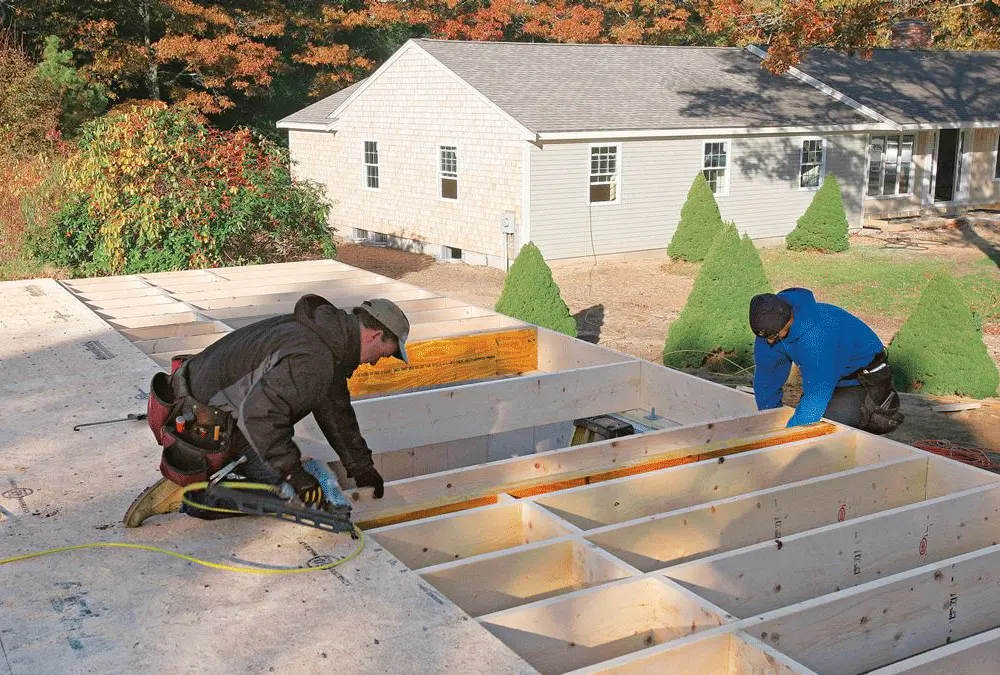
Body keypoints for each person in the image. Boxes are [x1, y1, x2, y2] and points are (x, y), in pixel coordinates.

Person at [125, 294, 409, 526]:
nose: (376, 363)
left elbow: (335, 411)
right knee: (299, 495)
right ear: (374, 335)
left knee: (294, 470)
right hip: (201, 426)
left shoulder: (324, 337)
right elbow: (259, 418)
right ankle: (194, 496)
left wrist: (361, 468)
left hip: (193, 403)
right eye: (385, 353)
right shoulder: (316, 358)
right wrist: (294, 475)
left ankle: (219, 476)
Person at [749, 288, 903, 434]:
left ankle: (879, 405)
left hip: (863, 378)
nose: (769, 342)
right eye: (766, 337)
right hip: (831, 375)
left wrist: (788, 437)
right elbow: (767, 378)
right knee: (809, 417)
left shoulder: (817, 338)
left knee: (827, 426)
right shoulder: (771, 331)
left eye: (774, 336)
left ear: (788, 321)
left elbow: (817, 395)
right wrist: (769, 420)